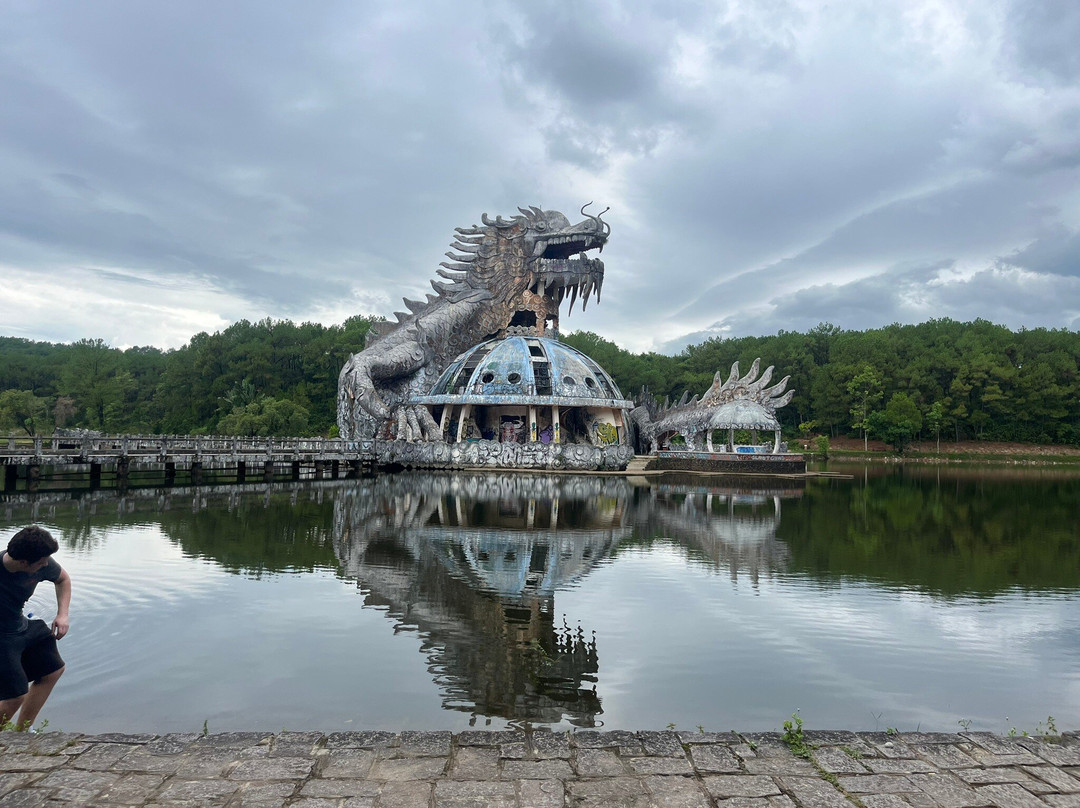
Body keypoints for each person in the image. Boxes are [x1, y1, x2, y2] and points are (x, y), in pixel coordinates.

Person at [0, 526, 71, 731]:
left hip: (20, 626)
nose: (46, 564)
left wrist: (62, 614)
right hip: (2, 637)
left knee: (53, 669)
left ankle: (22, 732)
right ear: (23, 563)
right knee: (15, 696)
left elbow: (63, 579)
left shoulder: (41, 562)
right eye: (42, 562)